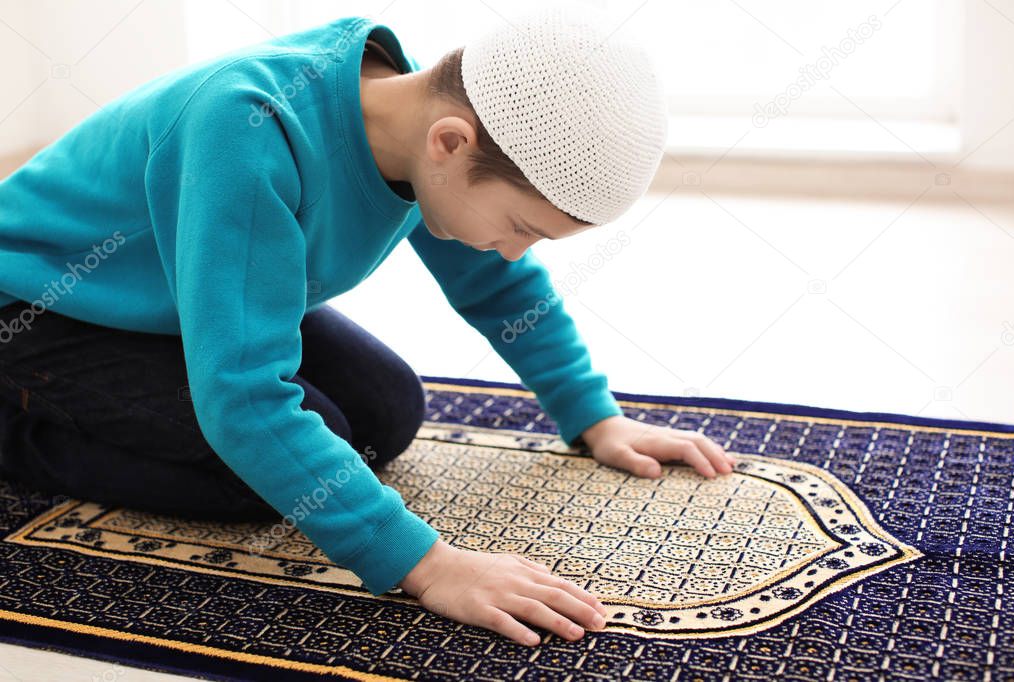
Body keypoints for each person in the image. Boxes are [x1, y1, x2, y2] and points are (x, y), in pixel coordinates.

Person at [0, 6, 736, 647]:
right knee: (256, 477)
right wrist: (425, 564)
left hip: (165, 297)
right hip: (38, 306)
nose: (517, 249)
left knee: (386, 414)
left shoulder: (410, 120)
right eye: (520, 226)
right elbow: (244, 400)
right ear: (451, 143)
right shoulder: (249, 130)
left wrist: (594, 417)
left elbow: (496, 282)